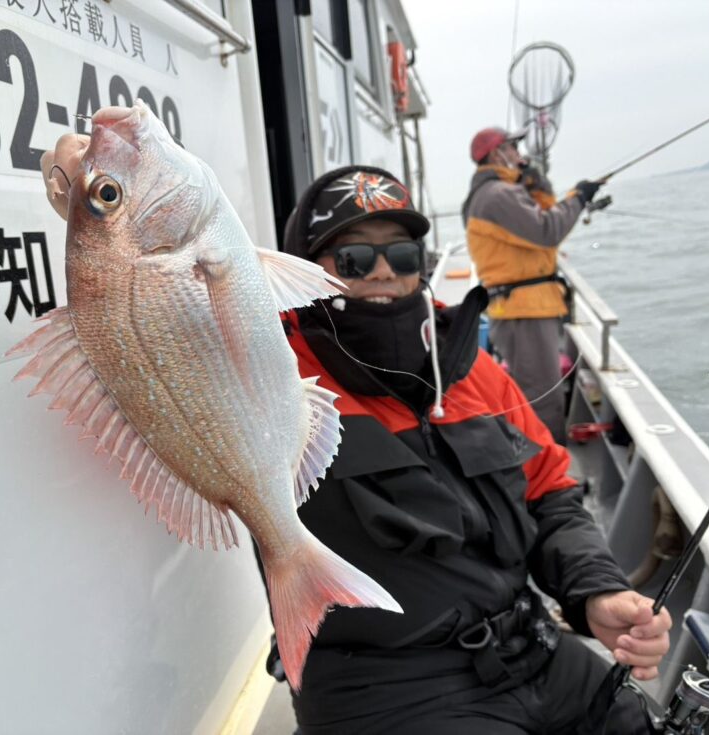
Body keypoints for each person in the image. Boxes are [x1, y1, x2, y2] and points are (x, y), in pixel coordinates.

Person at [41, 133, 670, 733]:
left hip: (534, 647)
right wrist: (86, 195)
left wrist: (596, 592)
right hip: (387, 687)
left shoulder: (472, 368)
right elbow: (162, 327)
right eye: (352, 257)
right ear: (299, 271)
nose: (381, 272)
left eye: (401, 256)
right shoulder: (275, 358)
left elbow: (553, 494)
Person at [462, 127, 603, 444]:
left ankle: (544, 472)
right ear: (497, 153)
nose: (519, 154)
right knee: (543, 399)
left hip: (526, 307)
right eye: (513, 147)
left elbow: (542, 212)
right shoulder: (498, 195)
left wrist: (537, 182)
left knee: (538, 394)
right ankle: (550, 481)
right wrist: (578, 198)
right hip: (523, 311)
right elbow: (548, 229)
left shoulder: (501, 192)